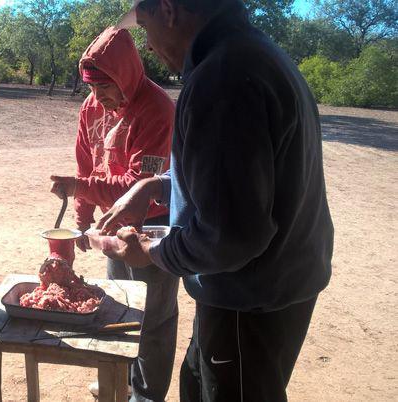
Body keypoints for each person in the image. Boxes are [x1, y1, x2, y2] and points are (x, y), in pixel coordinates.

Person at [99, 0, 334, 401]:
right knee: (198, 384)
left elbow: (229, 235)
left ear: (169, 10)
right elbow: (232, 175)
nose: (149, 46)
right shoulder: (251, 54)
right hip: (262, 290)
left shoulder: (221, 79)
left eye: (144, 24)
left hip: (249, 299)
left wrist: (152, 252)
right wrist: (155, 185)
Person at [49, 27, 178, 400]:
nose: (96, 97)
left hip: (153, 223)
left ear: (125, 77)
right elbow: (86, 162)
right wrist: (81, 219)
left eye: (104, 87)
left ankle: (146, 395)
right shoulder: (91, 107)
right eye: (90, 87)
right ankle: (119, 383)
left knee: (153, 318)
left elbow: (140, 188)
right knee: (118, 307)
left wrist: (80, 187)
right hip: (110, 222)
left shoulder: (156, 110)